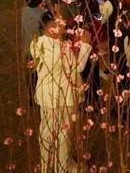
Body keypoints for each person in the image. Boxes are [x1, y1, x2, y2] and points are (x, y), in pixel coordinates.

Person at [31, 12, 91, 173]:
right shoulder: (59, 48)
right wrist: (85, 45)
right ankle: (63, 167)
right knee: (64, 134)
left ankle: (47, 164)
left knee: (46, 130)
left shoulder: (37, 42)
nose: (64, 23)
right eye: (60, 21)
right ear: (51, 28)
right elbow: (77, 67)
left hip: (45, 95)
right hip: (63, 96)